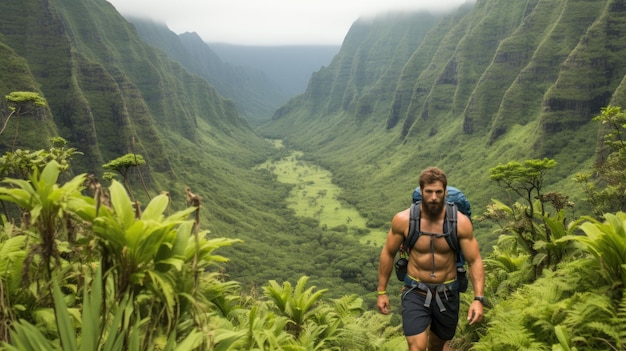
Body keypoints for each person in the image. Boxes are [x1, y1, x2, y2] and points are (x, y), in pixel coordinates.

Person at [377, 167, 485, 351]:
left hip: (447, 293)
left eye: (438, 192)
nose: (433, 197)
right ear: (421, 191)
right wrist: (381, 292)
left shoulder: (460, 223)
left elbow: (474, 260)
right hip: (415, 291)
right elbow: (388, 252)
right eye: (428, 192)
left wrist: (478, 299)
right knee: (416, 347)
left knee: (436, 345)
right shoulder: (403, 220)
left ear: (445, 191)